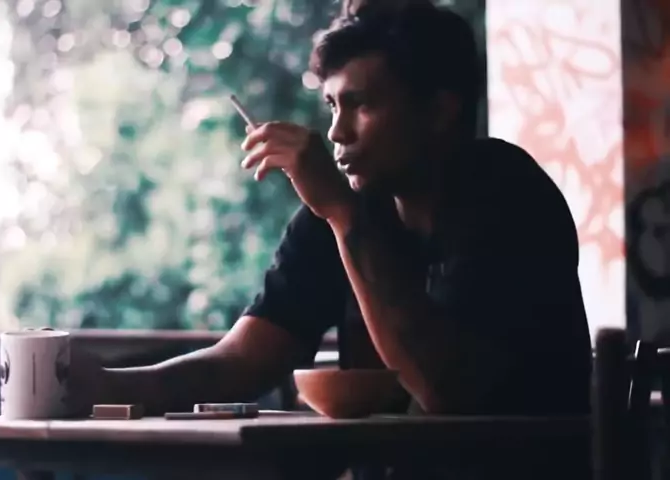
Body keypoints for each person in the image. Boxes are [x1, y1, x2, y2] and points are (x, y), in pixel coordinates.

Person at [68, 1, 592, 423]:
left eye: (361, 105)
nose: (337, 132)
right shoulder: (339, 215)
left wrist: (343, 213)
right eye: (333, 106)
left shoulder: (505, 194)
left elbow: (446, 389)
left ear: (439, 110)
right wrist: (107, 386)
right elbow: (244, 360)